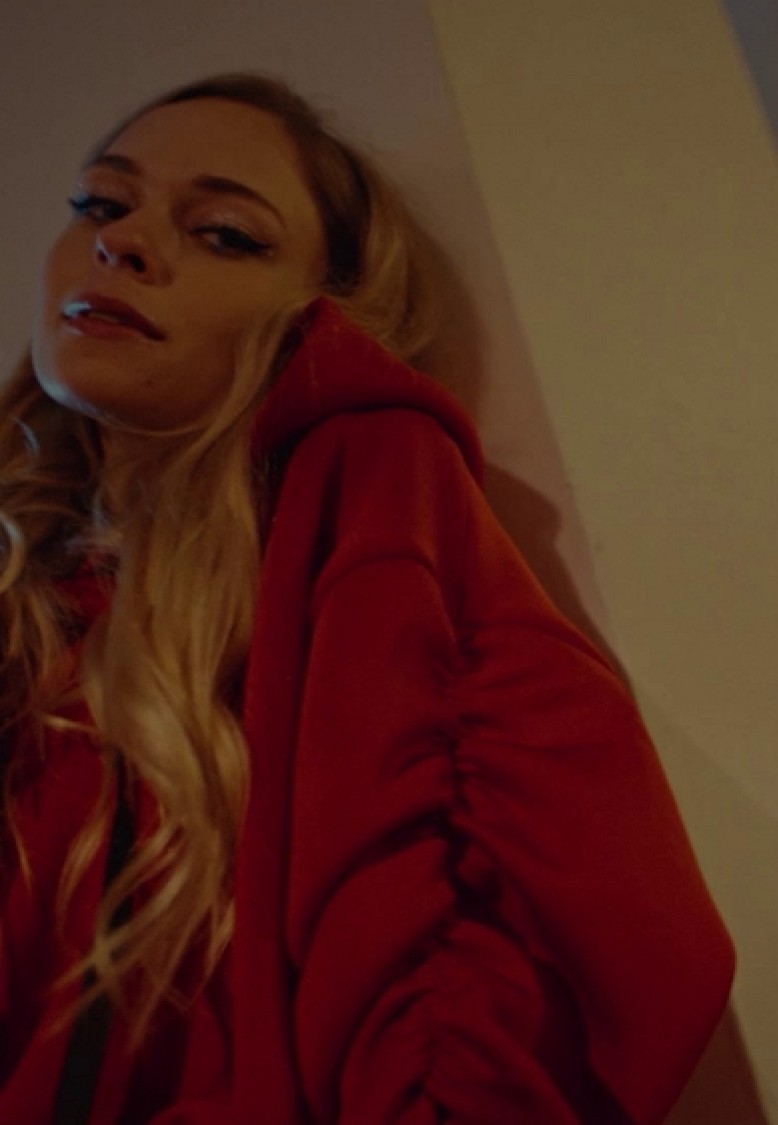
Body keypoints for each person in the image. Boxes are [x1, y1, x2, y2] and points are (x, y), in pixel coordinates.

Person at [0, 73, 734, 1123]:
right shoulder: (31, 590)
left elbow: (601, 923)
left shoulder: (362, 510)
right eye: (101, 203)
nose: (122, 243)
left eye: (224, 234)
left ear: (320, 318)